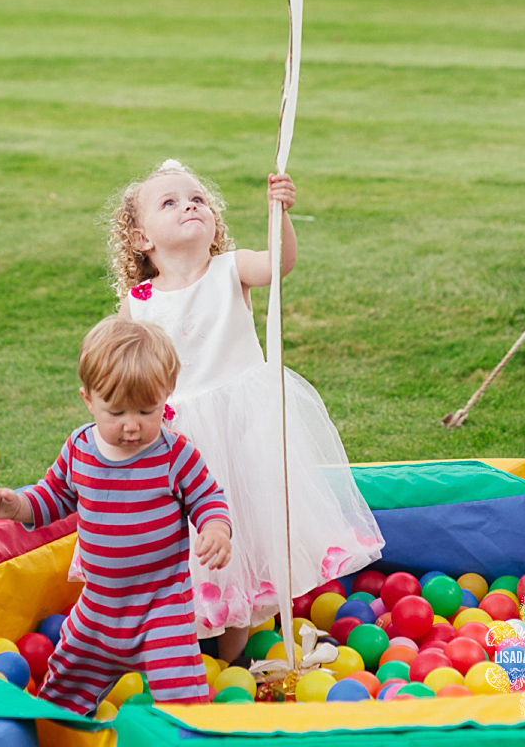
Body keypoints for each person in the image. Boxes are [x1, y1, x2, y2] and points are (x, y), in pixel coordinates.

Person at [109, 159, 384, 662]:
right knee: (188, 541)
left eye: (197, 199)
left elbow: (279, 263)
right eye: (169, 203)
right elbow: (128, 369)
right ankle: (185, 644)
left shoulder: (228, 269)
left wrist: (279, 213)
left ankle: (233, 656)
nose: (189, 205)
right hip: (178, 437)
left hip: (242, 425)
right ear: (141, 239)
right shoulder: (139, 303)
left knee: (244, 530)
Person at [0, 317, 231, 714]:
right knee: (60, 699)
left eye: (148, 411)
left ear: (167, 395)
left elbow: (208, 498)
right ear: (88, 400)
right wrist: (16, 506)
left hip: (162, 609)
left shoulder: (174, 455)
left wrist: (216, 529)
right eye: (116, 413)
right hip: (97, 610)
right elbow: (54, 498)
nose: (132, 426)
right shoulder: (80, 448)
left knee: (184, 707)